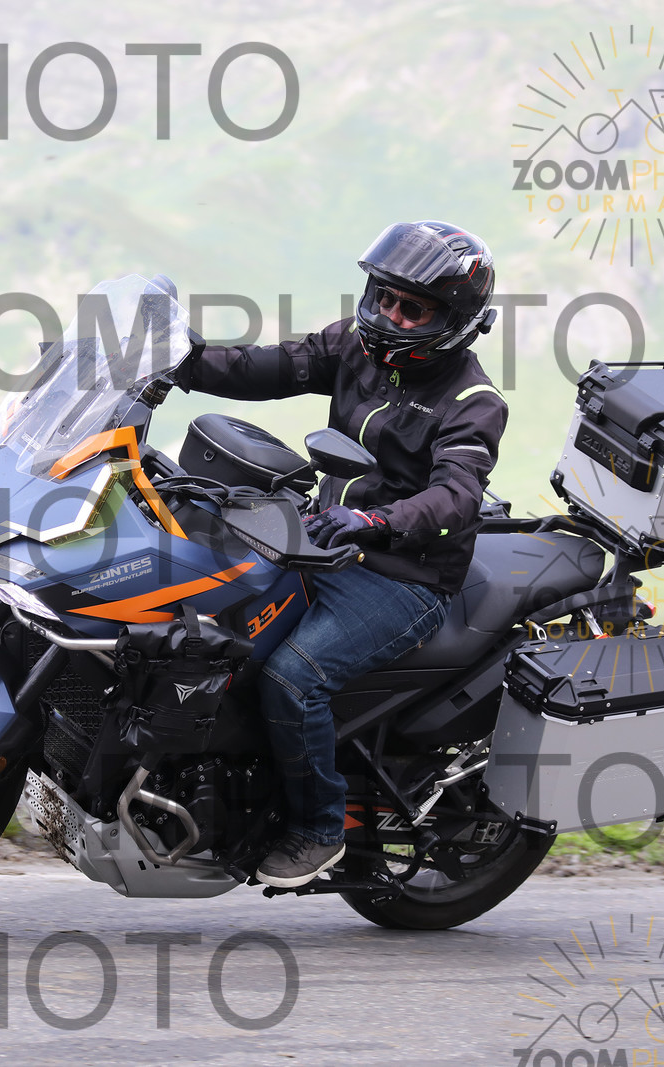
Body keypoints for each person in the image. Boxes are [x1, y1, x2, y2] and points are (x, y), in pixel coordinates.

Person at [175, 220, 507, 886]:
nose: (392, 316)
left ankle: (319, 828)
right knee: (204, 610)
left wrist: (375, 521)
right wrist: (175, 361)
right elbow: (269, 365)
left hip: (402, 574)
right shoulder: (356, 346)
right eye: (386, 297)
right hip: (325, 538)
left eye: (413, 309)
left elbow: (456, 496)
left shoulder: (473, 403)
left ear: (454, 321)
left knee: (293, 677)